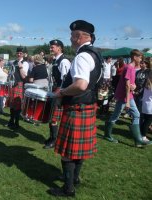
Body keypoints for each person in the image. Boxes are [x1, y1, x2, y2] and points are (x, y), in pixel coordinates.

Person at [50, 20, 102, 197]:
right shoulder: (96, 54)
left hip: (76, 108)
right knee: (78, 151)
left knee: (67, 152)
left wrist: (62, 92)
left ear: (79, 37)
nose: (70, 40)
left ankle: (68, 188)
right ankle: (75, 178)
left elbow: (80, 84)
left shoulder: (82, 56)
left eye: (72, 36)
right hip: (87, 106)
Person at [104, 49, 152, 147]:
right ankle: (107, 135)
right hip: (124, 96)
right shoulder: (129, 68)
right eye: (140, 57)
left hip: (128, 96)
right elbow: (126, 85)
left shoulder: (132, 68)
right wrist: (128, 102)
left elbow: (130, 83)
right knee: (116, 116)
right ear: (135, 57)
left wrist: (133, 86)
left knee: (137, 115)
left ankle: (138, 139)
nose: (141, 59)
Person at [43, 39, 71, 149]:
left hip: (60, 91)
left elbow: (65, 80)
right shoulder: (55, 60)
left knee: (54, 118)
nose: (50, 48)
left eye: (52, 47)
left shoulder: (64, 61)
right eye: (50, 47)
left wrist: (59, 94)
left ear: (59, 48)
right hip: (55, 89)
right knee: (51, 116)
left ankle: (55, 140)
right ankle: (52, 137)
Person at [5, 47, 28, 129]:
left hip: (19, 84)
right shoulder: (14, 62)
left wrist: (20, 67)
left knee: (17, 106)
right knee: (11, 104)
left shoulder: (25, 63)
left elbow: (24, 76)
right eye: (17, 53)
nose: (19, 54)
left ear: (23, 54)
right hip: (12, 84)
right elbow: (11, 73)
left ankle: (17, 123)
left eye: (20, 53)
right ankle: (11, 121)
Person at [140, 69, 152, 142]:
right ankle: (143, 136)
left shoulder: (147, 83)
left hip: (145, 105)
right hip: (150, 107)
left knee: (145, 121)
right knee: (147, 122)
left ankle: (142, 134)